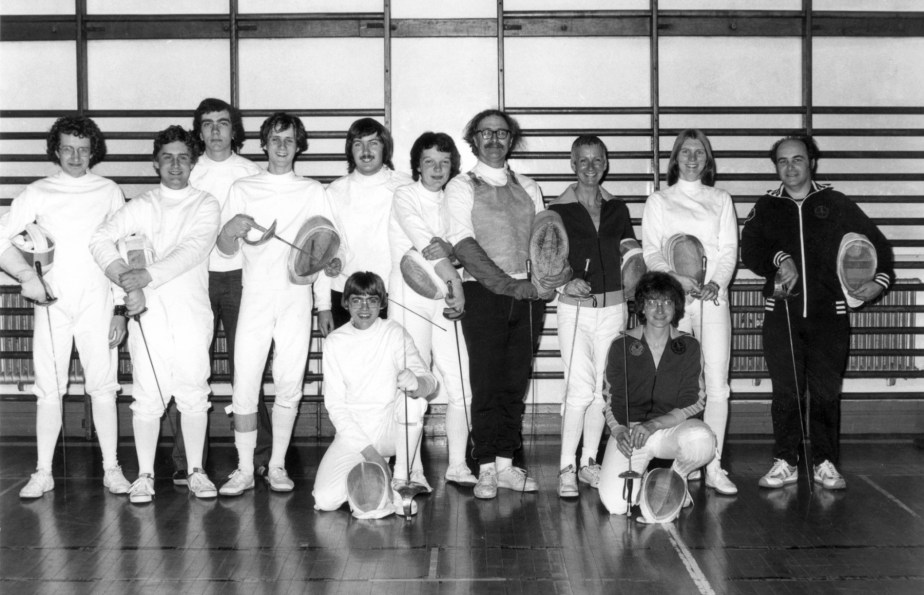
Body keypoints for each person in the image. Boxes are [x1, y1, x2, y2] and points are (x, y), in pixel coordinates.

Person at [741, 135, 893, 491]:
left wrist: (879, 281)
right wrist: (779, 258)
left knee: (825, 393)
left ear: (811, 161)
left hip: (830, 315)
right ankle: (786, 461)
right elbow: (750, 249)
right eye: (782, 161)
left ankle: (825, 462)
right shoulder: (766, 206)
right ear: (775, 166)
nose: (790, 167)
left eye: (797, 159)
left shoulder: (835, 202)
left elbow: (879, 245)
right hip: (782, 314)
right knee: (786, 392)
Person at [90, 125, 221, 503]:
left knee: (193, 392)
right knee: (147, 396)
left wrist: (145, 276)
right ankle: (145, 475)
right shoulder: (141, 205)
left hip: (192, 313)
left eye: (183, 158)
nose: (176, 165)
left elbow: (193, 249)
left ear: (192, 163)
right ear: (155, 163)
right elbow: (99, 239)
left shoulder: (206, 204)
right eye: (168, 158)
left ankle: (196, 471)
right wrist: (124, 277)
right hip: (148, 315)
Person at [444, 108, 568, 499]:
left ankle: (505, 464)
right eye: (486, 133)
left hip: (527, 296)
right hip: (484, 294)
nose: (494, 140)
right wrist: (507, 286)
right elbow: (463, 244)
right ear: (474, 140)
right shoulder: (460, 186)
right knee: (486, 383)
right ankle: (483, 467)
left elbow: (547, 241)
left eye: (501, 133)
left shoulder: (529, 186)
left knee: (514, 383)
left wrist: (550, 280)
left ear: (510, 140)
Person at [5, 116, 130, 499]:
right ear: (56, 151)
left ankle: (111, 469)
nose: (75, 157)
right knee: (49, 389)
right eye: (68, 149)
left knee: (103, 387)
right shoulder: (38, 192)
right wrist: (26, 277)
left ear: (93, 151)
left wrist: (120, 307)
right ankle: (43, 472)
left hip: (98, 301)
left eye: (83, 149)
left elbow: (121, 249)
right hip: (52, 303)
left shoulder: (108, 191)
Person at [217, 112, 334, 496]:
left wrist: (323, 305)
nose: (282, 146)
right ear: (264, 144)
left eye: (289, 139)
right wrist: (228, 231)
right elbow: (224, 249)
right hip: (254, 296)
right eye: (275, 139)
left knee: (289, 383)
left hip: (296, 298)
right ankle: (244, 469)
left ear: (298, 146)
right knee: (245, 384)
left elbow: (324, 253)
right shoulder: (243, 187)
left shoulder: (313, 191)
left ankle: (278, 465)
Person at [166, 98, 267, 488]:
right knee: (189, 369)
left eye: (222, 123)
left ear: (233, 129)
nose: (215, 130)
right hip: (196, 279)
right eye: (207, 124)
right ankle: (187, 460)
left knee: (249, 367)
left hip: (243, 279)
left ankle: (258, 456)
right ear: (199, 130)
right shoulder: (189, 170)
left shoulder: (251, 172)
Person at [640, 129, 738, 495]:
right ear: (675, 159)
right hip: (672, 302)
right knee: (673, 383)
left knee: (717, 385)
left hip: (712, 300)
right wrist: (676, 280)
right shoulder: (659, 200)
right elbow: (651, 251)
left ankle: (713, 465)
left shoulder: (721, 199)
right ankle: (684, 459)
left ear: (707, 159)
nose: (693, 158)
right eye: (686, 152)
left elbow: (728, 250)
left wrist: (716, 284)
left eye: (699, 152)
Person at [547, 135, 637, 498]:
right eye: (582, 160)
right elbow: (545, 261)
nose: (590, 167)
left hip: (613, 310)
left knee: (603, 391)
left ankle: (588, 463)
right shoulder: (556, 210)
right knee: (579, 389)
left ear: (605, 164)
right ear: (572, 164)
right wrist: (564, 283)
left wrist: (637, 277)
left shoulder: (618, 208)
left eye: (596, 160)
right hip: (575, 311)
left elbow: (629, 252)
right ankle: (566, 467)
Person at [312, 272, 437, 516]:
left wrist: (417, 383)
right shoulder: (335, 342)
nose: (364, 307)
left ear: (382, 303)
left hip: (390, 429)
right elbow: (336, 407)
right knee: (325, 500)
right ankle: (374, 475)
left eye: (372, 300)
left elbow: (430, 382)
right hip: (354, 434)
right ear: (345, 303)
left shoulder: (393, 332)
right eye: (357, 300)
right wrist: (372, 456)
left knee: (414, 401)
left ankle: (400, 480)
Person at [388, 131, 472, 488]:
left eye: (444, 162)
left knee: (462, 383)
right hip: (409, 298)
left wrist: (454, 264)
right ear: (417, 166)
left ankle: (457, 465)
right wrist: (454, 280)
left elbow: (464, 246)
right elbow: (426, 246)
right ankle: (410, 470)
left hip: (448, 299)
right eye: (429, 162)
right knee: (413, 380)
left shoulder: (456, 198)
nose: (437, 169)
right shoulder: (404, 195)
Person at [597, 272, 716, 516]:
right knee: (617, 504)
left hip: (670, 429)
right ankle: (648, 479)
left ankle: (675, 478)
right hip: (633, 434)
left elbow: (695, 400)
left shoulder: (689, 346)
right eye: (652, 302)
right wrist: (619, 431)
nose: (660, 309)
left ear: (676, 307)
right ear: (642, 306)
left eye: (667, 302)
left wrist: (654, 424)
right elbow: (611, 398)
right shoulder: (621, 345)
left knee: (702, 441)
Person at [318, 118, 413, 334]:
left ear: (385, 147)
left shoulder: (406, 186)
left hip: (395, 293)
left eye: (373, 143)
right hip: (345, 294)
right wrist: (323, 306)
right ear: (350, 150)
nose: (366, 151)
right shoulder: (334, 191)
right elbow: (328, 250)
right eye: (358, 144)